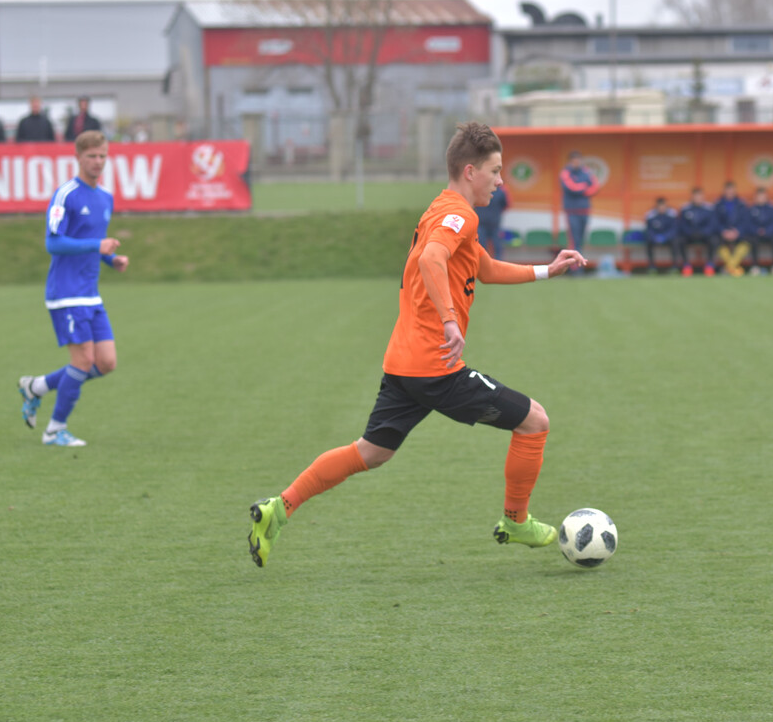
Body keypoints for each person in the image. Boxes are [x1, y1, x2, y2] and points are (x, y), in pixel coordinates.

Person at [247, 122, 586, 568]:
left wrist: (546, 270)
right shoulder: (460, 215)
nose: (501, 180)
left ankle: (279, 508)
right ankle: (516, 520)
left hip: (403, 364)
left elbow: (482, 267)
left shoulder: (442, 210)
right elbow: (431, 258)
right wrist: (449, 321)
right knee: (535, 422)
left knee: (371, 451)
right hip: (436, 368)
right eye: (495, 170)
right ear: (470, 171)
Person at [16, 131, 128, 446]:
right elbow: (53, 242)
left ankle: (36, 386)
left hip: (90, 292)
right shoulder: (66, 194)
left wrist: (110, 259)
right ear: (78, 157)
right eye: (91, 156)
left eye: (103, 156)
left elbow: (92, 245)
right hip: (65, 293)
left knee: (106, 363)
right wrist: (98, 244)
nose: (98, 162)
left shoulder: (105, 197)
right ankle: (54, 430)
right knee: (81, 361)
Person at [559, 150, 601, 257]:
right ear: (570, 161)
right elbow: (571, 188)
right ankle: (575, 269)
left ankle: (579, 264)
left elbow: (595, 187)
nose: (577, 162)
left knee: (581, 240)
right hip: (572, 211)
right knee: (574, 240)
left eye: (578, 160)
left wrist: (582, 189)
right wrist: (583, 187)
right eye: (574, 161)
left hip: (585, 210)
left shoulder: (586, 172)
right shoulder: (565, 173)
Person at [677, 187, 718, 277]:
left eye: (700, 196)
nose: (698, 199)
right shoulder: (685, 209)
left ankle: (709, 266)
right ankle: (686, 266)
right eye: (696, 196)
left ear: (703, 197)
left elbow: (712, 224)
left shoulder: (709, 208)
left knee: (714, 240)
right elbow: (682, 225)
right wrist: (691, 232)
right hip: (690, 235)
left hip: (704, 235)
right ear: (692, 197)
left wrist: (703, 232)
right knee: (679, 240)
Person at [747, 187, 773, 275]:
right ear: (755, 197)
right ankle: (755, 266)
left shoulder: (772, 208)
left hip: (770, 234)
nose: (761, 198)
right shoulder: (751, 209)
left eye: (763, 196)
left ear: (766, 197)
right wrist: (757, 230)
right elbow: (748, 224)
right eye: (759, 196)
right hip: (756, 234)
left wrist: (767, 231)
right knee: (752, 240)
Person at [714, 181, 751, 276]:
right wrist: (723, 231)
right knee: (716, 242)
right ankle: (733, 268)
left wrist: (737, 231)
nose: (730, 192)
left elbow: (745, 221)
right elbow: (715, 221)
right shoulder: (718, 204)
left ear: (735, 190)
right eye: (728, 190)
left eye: (732, 190)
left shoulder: (741, 204)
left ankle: (729, 268)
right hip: (723, 234)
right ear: (724, 191)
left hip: (738, 233)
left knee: (746, 242)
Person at [474, 182, 509, 260]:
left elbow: (505, 205)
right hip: (482, 224)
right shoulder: (480, 191)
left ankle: (498, 268)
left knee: (497, 249)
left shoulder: (500, 191)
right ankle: (482, 269)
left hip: (494, 225)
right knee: (481, 249)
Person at [643, 197, 678, 272]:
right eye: (660, 206)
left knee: (676, 242)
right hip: (655, 238)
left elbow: (673, 229)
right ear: (657, 206)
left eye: (663, 206)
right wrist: (655, 237)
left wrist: (665, 237)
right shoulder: (650, 215)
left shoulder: (672, 214)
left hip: (668, 238)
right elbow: (649, 230)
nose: (662, 208)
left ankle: (675, 266)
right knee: (648, 242)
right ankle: (651, 267)